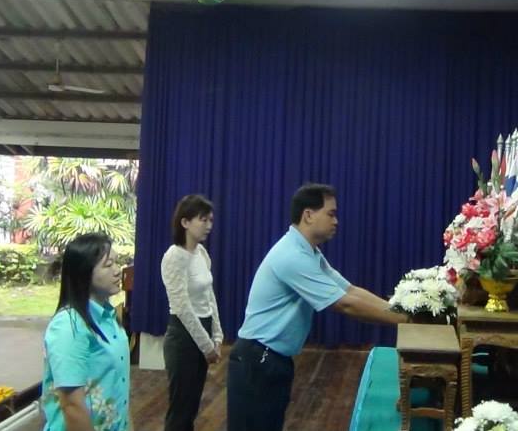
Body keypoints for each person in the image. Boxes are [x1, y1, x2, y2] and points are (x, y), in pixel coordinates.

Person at [226, 183, 408, 431]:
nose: (336, 221)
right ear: (308, 215)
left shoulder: (309, 252)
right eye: (331, 214)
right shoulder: (292, 256)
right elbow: (345, 304)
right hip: (258, 360)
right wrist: (407, 320)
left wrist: (402, 310)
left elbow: (350, 291)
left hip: (270, 359)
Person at [41, 233, 130, 431]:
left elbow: (120, 387)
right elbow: (72, 406)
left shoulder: (109, 317)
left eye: (117, 263)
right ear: (84, 272)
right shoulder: (68, 325)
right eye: (108, 265)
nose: (118, 271)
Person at [161, 195, 223, 431]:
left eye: (210, 220)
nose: (208, 225)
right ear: (185, 222)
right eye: (203, 220)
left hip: (203, 330)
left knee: (192, 407)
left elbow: (209, 296)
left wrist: (217, 335)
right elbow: (182, 307)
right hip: (183, 336)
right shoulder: (174, 256)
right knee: (180, 410)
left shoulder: (201, 253)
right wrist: (206, 346)